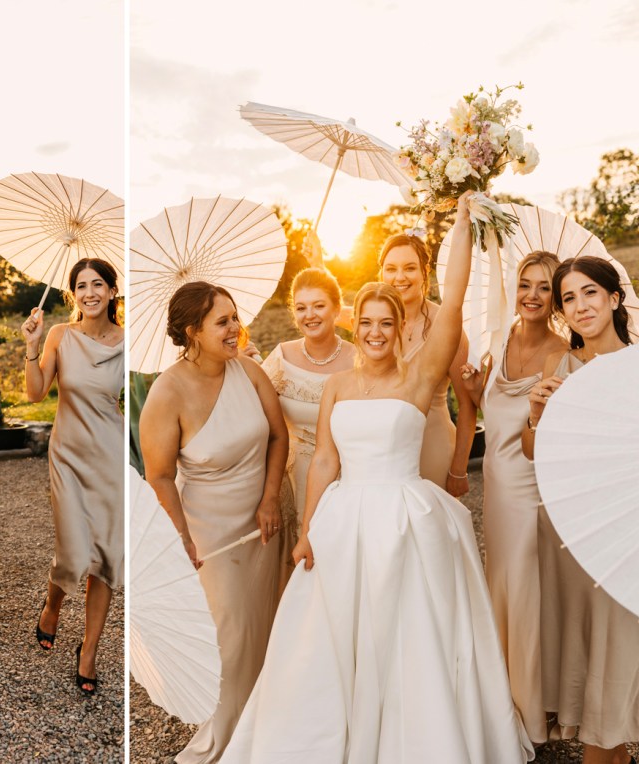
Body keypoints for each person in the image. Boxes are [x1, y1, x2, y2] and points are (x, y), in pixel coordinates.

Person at [222, 193, 533, 763]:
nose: (374, 332)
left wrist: (461, 222)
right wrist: (306, 531)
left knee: (407, 632)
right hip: (344, 518)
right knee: (330, 633)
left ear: (398, 327)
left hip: (406, 520)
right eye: (365, 322)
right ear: (355, 326)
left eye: (385, 323)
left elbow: (454, 297)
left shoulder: (419, 377)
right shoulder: (339, 385)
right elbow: (323, 460)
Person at [140, 280, 287, 762]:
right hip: (209, 532)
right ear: (192, 332)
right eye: (222, 322)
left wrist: (271, 499)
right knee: (230, 634)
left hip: (263, 523)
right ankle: (225, 736)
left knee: (265, 624)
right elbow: (159, 476)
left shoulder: (249, 370)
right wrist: (181, 539)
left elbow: (278, 436)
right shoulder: (167, 392)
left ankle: (265, 725)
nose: (234, 328)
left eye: (234, 317)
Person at [523, 256, 638, 764]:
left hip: (625, 531)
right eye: (569, 298)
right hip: (569, 532)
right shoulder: (560, 368)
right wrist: (536, 415)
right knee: (592, 652)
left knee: (619, 651)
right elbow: (533, 452)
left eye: (590, 292)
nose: (580, 305)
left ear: (614, 298)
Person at [460, 251, 566, 744]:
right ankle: (502, 698)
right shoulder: (499, 341)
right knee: (499, 586)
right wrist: (476, 391)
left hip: (531, 489)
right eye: (525, 284)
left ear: (556, 297)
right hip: (496, 487)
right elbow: (493, 417)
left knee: (524, 590)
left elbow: (547, 436)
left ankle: (531, 710)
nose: (532, 295)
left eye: (544, 287)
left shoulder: (561, 354)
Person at [22, 258, 124, 696]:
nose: (89, 293)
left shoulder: (128, 342)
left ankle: (89, 650)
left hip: (111, 458)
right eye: (81, 286)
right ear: (73, 294)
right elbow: (35, 393)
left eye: (97, 284)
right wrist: (32, 346)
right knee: (72, 552)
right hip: (67, 456)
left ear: (112, 291)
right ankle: (52, 605)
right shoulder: (60, 336)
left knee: (105, 556)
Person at [261, 267, 355, 593]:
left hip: (344, 475)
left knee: (340, 565)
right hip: (291, 477)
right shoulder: (282, 357)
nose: (309, 315)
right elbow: (253, 409)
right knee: (298, 569)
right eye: (301, 307)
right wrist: (243, 365)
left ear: (336, 308)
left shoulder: (358, 360)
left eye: (318, 305)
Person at [379, 231, 476, 495]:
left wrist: (459, 469)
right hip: (385, 450)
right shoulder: (376, 324)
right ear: (382, 273)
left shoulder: (447, 325)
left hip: (433, 445)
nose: (399, 277)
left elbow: (467, 405)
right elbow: (331, 312)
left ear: (425, 271)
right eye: (391, 269)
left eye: (409, 268)